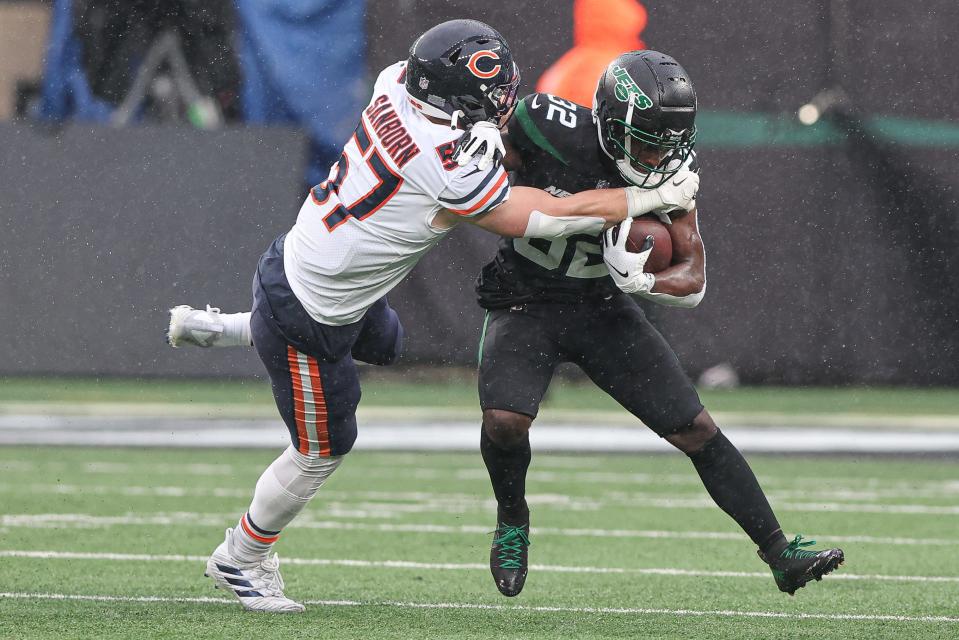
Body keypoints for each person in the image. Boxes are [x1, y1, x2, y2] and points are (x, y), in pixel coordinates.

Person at [167, 23, 700, 613]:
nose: (501, 107)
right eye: (487, 98)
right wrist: (647, 197)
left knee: (387, 344)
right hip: (312, 312)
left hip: (316, 269)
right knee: (324, 447)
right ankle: (240, 557)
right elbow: (546, 215)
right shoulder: (442, 164)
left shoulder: (397, 84)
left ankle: (239, 328)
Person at [476, 50, 844, 598]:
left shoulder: (673, 171)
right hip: (526, 299)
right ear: (610, 121)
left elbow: (693, 275)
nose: (658, 155)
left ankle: (779, 552)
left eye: (669, 143)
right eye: (648, 140)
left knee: (695, 428)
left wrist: (644, 283)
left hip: (604, 308)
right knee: (505, 421)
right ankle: (512, 520)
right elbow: (480, 180)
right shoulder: (541, 125)